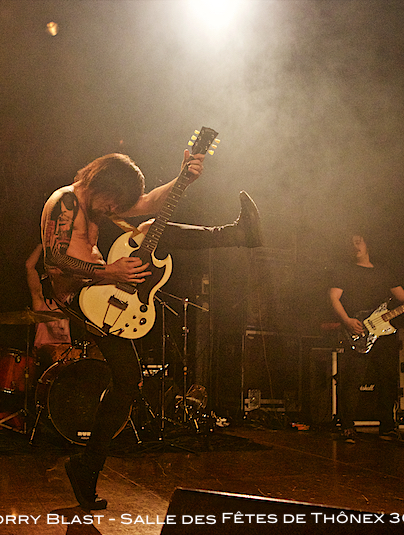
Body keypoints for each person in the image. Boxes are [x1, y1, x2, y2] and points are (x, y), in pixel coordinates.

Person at [40, 150, 262, 510]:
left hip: (98, 290)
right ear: (99, 184)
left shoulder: (99, 201)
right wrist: (110, 272)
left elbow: (148, 202)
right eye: (113, 202)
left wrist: (183, 178)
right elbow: (53, 258)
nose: (115, 210)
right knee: (127, 378)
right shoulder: (64, 202)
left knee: (128, 379)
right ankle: (237, 234)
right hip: (78, 296)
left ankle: (85, 468)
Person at [328, 233, 404, 444]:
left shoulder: (383, 271)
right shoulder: (344, 270)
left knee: (388, 379)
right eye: (351, 243)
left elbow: (403, 297)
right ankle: (347, 427)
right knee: (353, 379)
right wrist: (347, 320)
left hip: (384, 332)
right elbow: (333, 297)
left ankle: (387, 427)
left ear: (367, 244)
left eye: (358, 241)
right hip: (358, 329)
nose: (355, 246)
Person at [25, 243, 72, 365]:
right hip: (44, 357)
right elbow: (29, 266)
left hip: (67, 359)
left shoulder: (71, 306)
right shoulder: (41, 303)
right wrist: (43, 243)